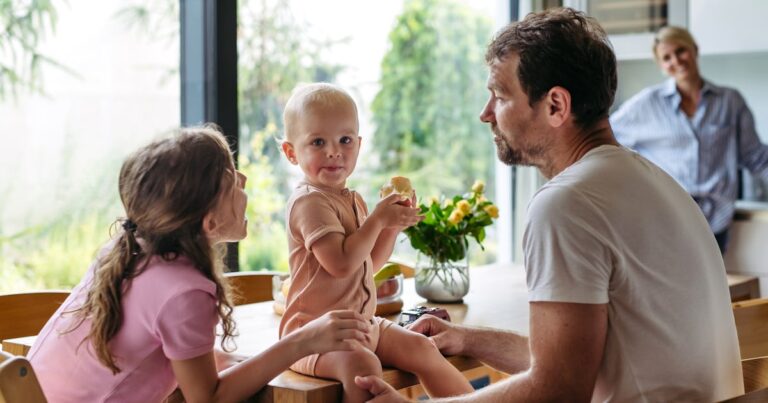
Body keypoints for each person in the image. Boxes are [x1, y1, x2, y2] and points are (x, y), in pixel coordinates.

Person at [354, 8, 743, 402]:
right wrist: (466, 338)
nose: (485, 114)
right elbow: (571, 364)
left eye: (500, 96)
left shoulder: (567, 203)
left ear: (556, 105)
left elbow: (558, 392)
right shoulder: (654, 182)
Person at [28, 126, 372, 403]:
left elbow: (170, 358)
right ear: (209, 223)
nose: (244, 181)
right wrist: (301, 342)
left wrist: (255, 361)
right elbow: (208, 397)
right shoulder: (185, 291)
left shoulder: (126, 251)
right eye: (232, 177)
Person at [278, 83, 474, 402]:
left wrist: (391, 227)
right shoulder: (308, 203)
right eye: (317, 142)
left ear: (358, 144)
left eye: (344, 140)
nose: (333, 151)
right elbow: (340, 265)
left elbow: (368, 265)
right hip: (313, 336)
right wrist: (377, 221)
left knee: (422, 347)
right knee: (362, 365)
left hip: (360, 325)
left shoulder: (352, 199)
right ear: (291, 152)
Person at [611, 26, 768, 253]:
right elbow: (606, 138)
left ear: (694, 50)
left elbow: (755, 156)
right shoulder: (647, 104)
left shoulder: (729, 101)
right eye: (667, 57)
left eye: (681, 50)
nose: (676, 60)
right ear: (661, 66)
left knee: (710, 287)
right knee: (667, 286)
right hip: (665, 217)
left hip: (715, 221)